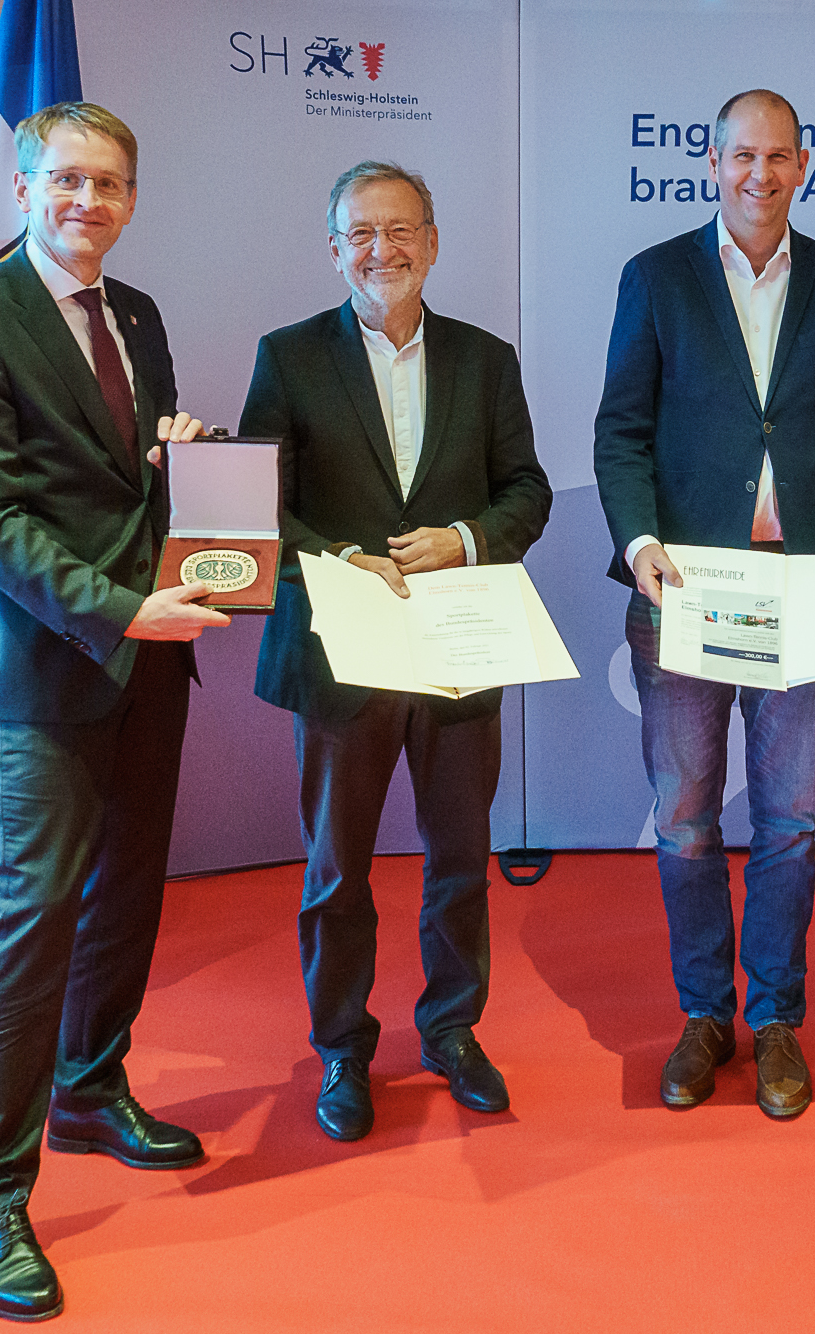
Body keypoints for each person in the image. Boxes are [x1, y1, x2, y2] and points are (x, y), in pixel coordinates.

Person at [0, 101, 228, 1322]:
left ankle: (92, 1086)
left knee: (129, 885)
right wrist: (118, 608)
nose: (86, 202)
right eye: (66, 180)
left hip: (152, 657)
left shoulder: (134, 314)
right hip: (47, 662)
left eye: (108, 185)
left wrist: (172, 455)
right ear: (23, 189)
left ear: (131, 200)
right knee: (33, 912)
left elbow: (118, 464)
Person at [594, 89, 815, 1119]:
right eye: (740, 157)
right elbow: (619, 430)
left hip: (799, 590)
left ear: (803, 165)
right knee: (682, 819)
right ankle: (701, 1015)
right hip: (681, 592)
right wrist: (635, 543)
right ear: (710, 163)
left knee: (791, 817)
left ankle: (772, 1017)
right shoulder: (655, 277)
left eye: (776, 158)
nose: (757, 175)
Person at [240, 161, 551, 1140]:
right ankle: (342, 1044)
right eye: (362, 233)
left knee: (458, 855)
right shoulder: (288, 358)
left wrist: (464, 539)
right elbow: (259, 510)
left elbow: (527, 492)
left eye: (402, 229)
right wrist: (336, 557)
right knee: (339, 865)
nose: (385, 249)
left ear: (433, 238)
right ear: (335, 250)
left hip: (458, 641)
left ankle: (451, 1028)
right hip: (342, 651)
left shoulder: (484, 358)